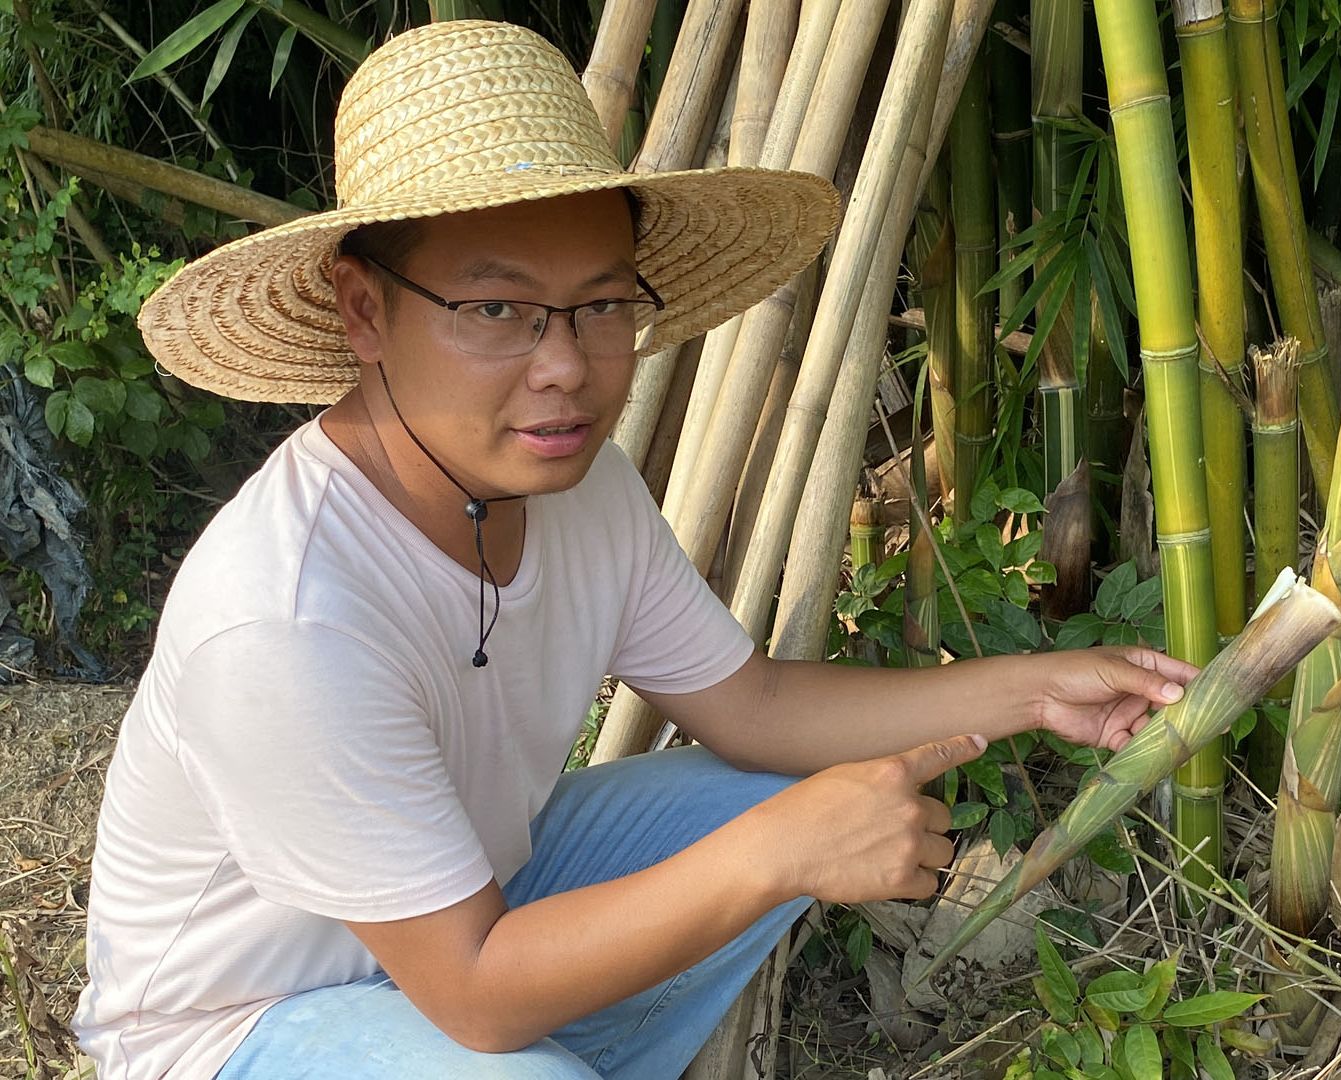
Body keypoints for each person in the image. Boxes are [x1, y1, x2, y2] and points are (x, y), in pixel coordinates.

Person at [72, 19, 1197, 1080]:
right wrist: (779, 856)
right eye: (496, 311)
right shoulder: (286, 618)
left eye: (603, 305)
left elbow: (749, 707)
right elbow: (468, 994)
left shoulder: (580, 488)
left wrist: (1034, 689)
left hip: (477, 911)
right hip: (242, 1031)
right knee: (745, 848)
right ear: (364, 313)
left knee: (756, 792)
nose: (565, 366)